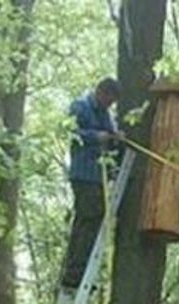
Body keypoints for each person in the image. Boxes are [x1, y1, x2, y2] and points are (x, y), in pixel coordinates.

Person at [60, 77, 122, 291]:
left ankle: (82, 270)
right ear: (101, 92)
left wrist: (115, 137)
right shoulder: (81, 106)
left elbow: (110, 136)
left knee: (95, 221)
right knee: (85, 221)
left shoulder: (105, 114)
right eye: (109, 100)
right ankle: (73, 274)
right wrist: (97, 136)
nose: (110, 105)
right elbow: (71, 132)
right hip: (84, 175)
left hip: (99, 177)